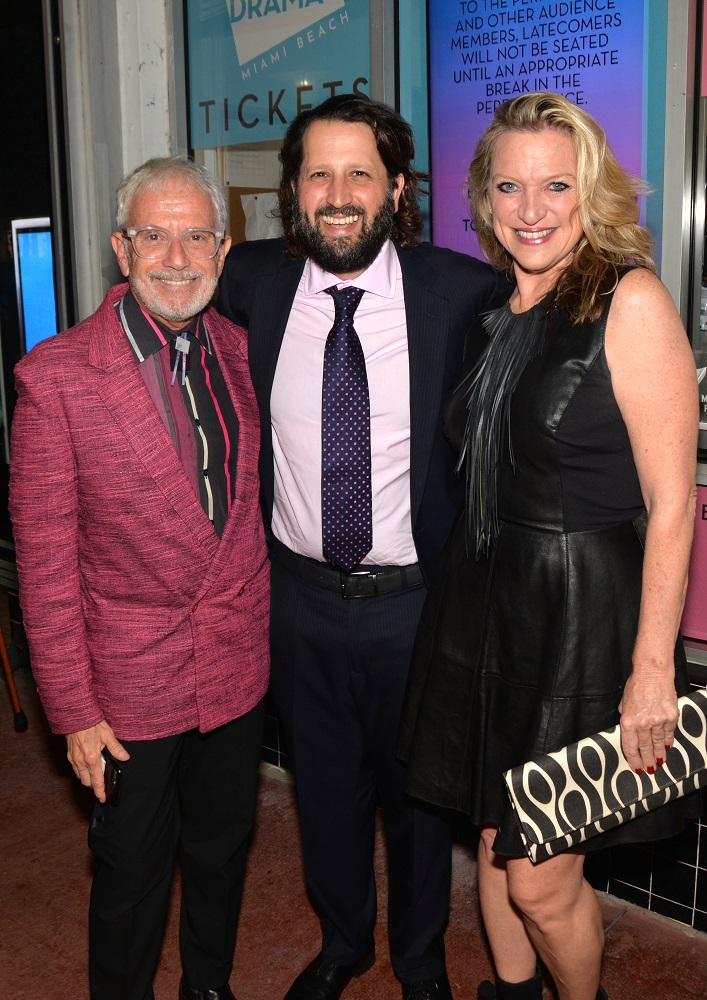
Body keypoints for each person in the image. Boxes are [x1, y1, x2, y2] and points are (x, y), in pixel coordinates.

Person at [398, 92, 701, 1000]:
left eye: (555, 185)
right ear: (484, 198)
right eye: (509, 187)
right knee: (492, 840)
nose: (532, 208)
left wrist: (653, 668)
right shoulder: (494, 309)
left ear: (591, 191)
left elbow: (671, 504)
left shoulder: (630, 300)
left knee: (537, 871)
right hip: (486, 606)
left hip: (581, 614)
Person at [217, 94, 502, 1000]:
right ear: (290, 190)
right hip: (296, 601)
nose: (337, 194)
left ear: (395, 189)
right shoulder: (249, 283)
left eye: (358, 174)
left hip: (416, 605)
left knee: (419, 806)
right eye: (317, 174)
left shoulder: (460, 293)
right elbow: (155, 279)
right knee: (324, 797)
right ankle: (344, 944)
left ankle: (420, 965)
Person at [9, 157, 270, 1000]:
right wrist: (75, 713)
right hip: (126, 690)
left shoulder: (233, 348)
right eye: (155, 234)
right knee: (129, 875)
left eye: (198, 234)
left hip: (233, 670)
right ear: (122, 248)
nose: (178, 256)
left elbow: (241, 515)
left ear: (223, 250)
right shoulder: (55, 378)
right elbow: (45, 571)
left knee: (223, 850)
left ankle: (208, 986)